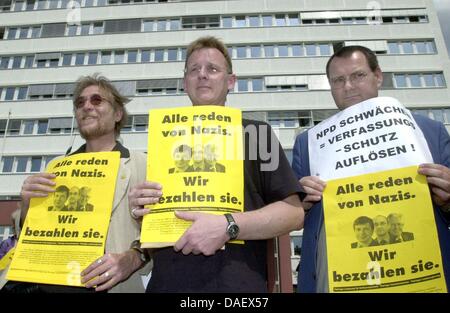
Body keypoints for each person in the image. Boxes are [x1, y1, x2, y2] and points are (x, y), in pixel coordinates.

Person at [128, 36, 304, 292]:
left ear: (230, 81)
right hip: (166, 284)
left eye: (212, 69)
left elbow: (294, 213)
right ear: (184, 82)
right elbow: (157, 226)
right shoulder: (162, 141)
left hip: (236, 286)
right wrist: (142, 211)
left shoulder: (258, 135)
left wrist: (229, 226)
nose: (202, 75)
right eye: (194, 70)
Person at [293, 45, 450, 292]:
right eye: (338, 80)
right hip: (338, 277)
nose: (348, 86)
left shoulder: (431, 132)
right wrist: (299, 201)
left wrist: (448, 199)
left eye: (358, 75)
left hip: (418, 273)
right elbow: (294, 217)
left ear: (378, 76)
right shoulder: (308, 143)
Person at [11, 74, 150, 293]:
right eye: (80, 103)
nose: (86, 106)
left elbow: (159, 230)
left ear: (118, 114)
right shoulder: (56, 167)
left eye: (96, 100)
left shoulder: (142, 164)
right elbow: (30, 234)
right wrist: (28, 206)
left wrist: (132, 258)